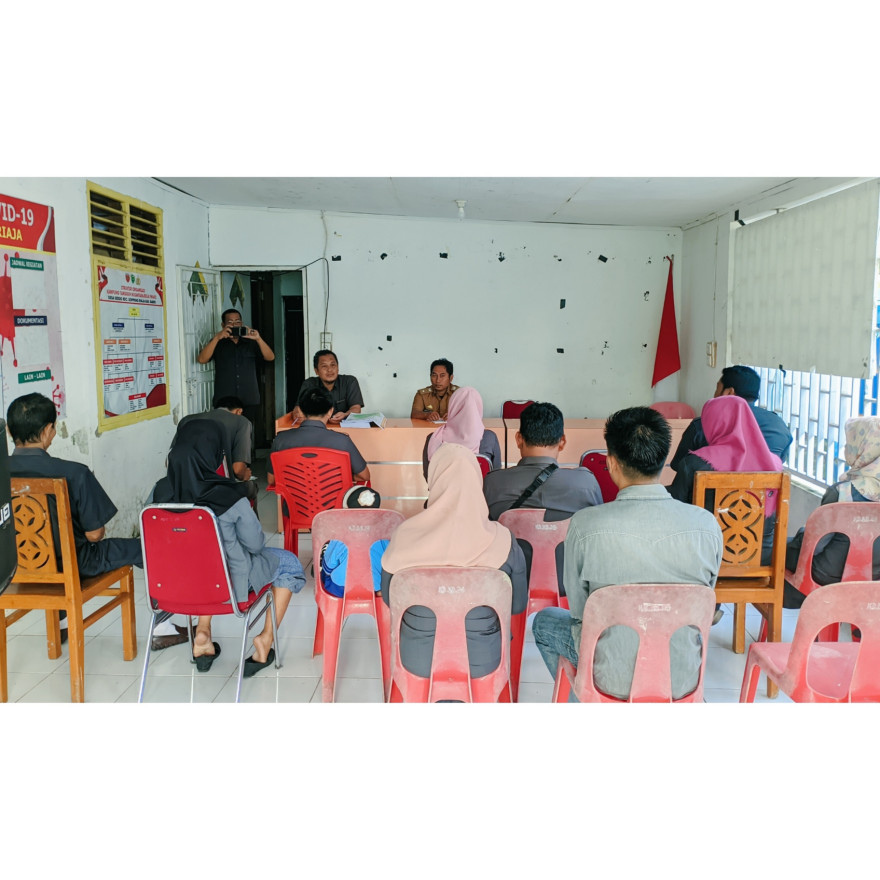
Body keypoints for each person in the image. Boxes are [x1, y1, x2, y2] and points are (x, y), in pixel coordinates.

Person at [531, 406, 723, 700]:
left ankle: (589, 701)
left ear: (611, 463)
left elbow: (582, 612)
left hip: (611, 678)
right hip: (682, 679)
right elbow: (704, 604)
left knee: (545, 622)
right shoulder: (707, 525)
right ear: (662, 459)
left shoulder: (585, 525)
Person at [152, 419, 305, 676]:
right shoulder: (229, 495)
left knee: (202, 562)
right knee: (289, 563)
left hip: (176, 589)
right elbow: (256, 546)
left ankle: (202, 633)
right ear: (214, 456)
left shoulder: (159, 493)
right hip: (228, 587)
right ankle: (265, 642)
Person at [380, 442, 528, 679]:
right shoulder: (503, 540)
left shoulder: (403, 535)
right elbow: (518, 605)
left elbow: (390, 598)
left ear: (434, 480)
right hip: (484, 661)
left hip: (416, 661)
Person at [7, 392, 144, 643]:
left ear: (8, 431)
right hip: (75, 565)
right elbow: (95, 535)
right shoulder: (73, 473)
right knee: (141, 548)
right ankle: (164, 627)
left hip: (14, 567)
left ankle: (59, 623)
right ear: (49, 430)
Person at [784, 415, 880, 608]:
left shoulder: (842, 492)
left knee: (777, 549)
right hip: (873, 578)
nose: (845, 449)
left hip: (827, 576)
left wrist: (803, 534)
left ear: (862, 447)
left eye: (849, 443)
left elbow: (816, 545)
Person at [483, 401, 602, 522]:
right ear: (562, 442)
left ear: (519, 439)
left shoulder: (492, 483)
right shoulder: (587, 484)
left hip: (511, 541)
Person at [671, 364, 793, 468]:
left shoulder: (702, 425)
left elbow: (679, 466)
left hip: (709, 494)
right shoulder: (779, 426)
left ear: (729, 392)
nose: (714, 395)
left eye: (717, 388)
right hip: (760, 495)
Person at [268, 387, 370, 486]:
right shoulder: (342, 441)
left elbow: (271, 479)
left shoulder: (280, 440)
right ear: (330, 411)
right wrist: (334, 476)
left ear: (301, 411)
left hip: (293, 503)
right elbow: (364, 476)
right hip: (334, 503)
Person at [197, 308, 275, 427]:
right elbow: (202, 359)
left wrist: (258, 339)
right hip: (225, 399)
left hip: (248, 397)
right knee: (224, 430)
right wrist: (217, 337)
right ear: (223, 325)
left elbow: (270, 357)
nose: (234, 325)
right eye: (230, 322)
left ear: (241, 323)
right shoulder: (218, 342)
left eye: (237, 322)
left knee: (246, 431)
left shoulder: (251, 342)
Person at [176, 395, 256, 501]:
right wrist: (245, 475)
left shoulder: (186, 420)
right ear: (239, 411)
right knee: (252, 487)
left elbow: (169, 462)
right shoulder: (241, 422)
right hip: (219, 489)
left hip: (184, 487)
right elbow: (238, 470)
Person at [421, 385, 501, 479]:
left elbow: (428, 476)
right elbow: (496, 476)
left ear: (452, 406)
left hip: (443, 493)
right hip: (480, 493)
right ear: (478, 407)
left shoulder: (434, 438)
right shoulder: (489, 437)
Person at [291, 350, 363, 425]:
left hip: (343, 429)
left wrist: (345, 415)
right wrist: (298, 415)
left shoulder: (349, 381)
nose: (329, 370)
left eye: (333, 365)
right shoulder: (309, 384)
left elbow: (356, 409)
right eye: (324, 366)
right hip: (317, 428)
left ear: (338, 367)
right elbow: (298, 409)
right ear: (316, 371)